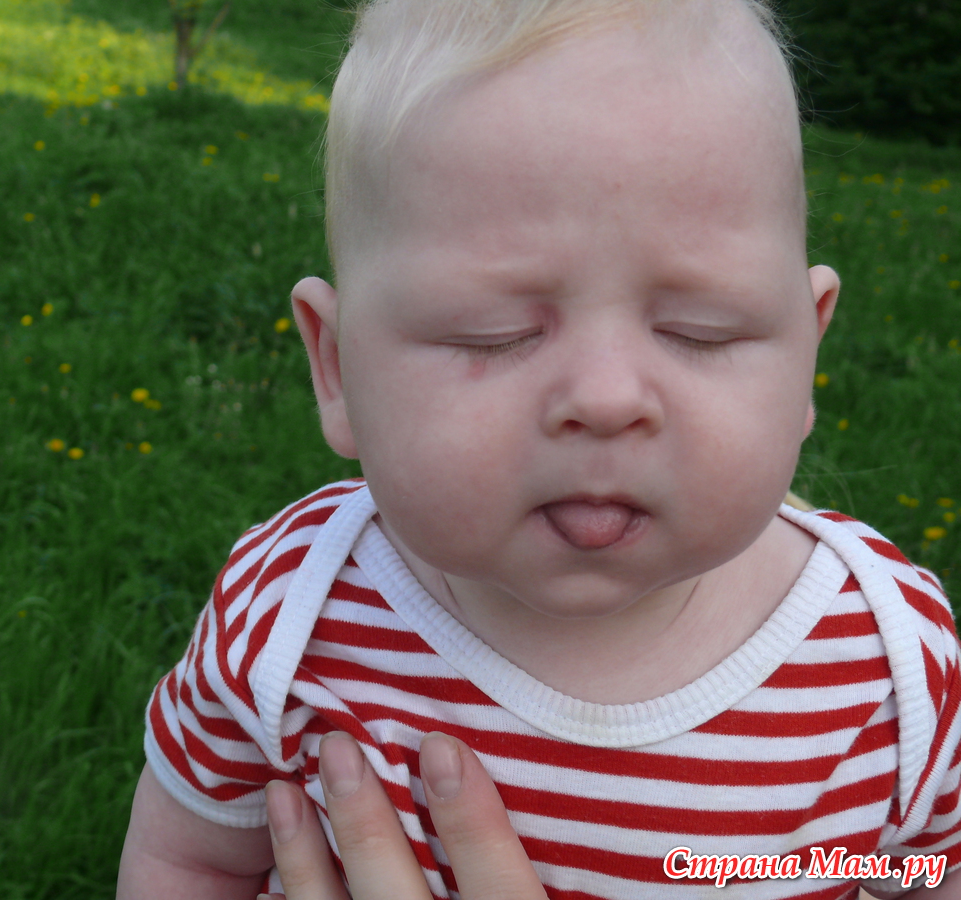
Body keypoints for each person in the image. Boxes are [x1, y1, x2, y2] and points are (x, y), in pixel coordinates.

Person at [116, 0, 961, 897]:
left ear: (807, 355)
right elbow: (191, 857)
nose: (604, 399)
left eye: (700, 331)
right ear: (337, 368)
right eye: (493, 334)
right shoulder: (288, 617)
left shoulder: (890, 671)